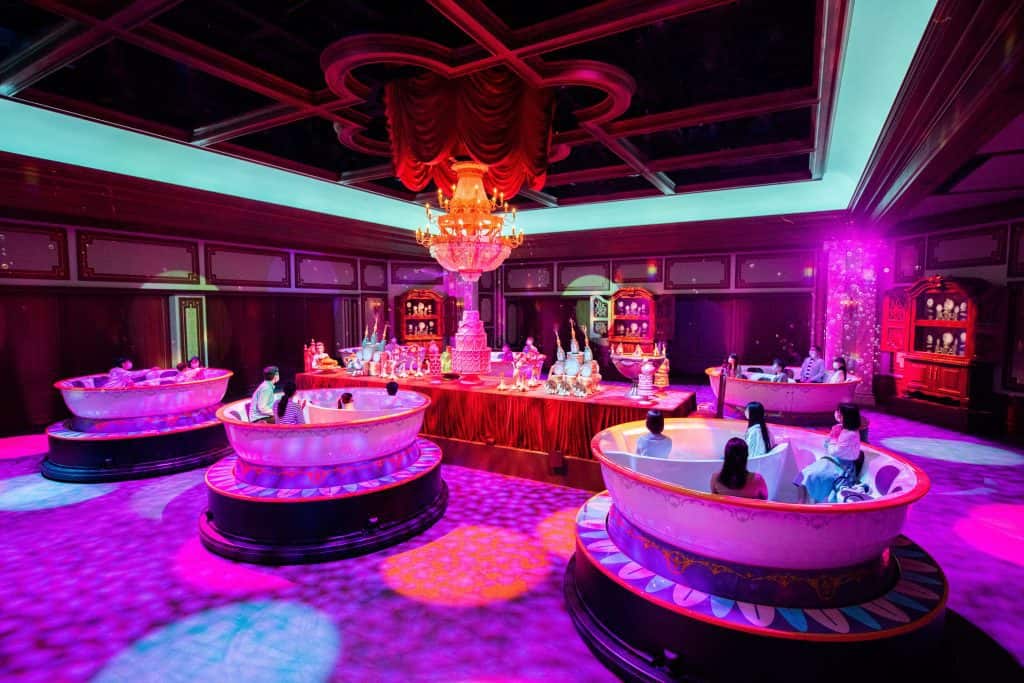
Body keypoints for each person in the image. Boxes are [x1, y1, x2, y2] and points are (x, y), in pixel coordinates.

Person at [797, 403, 862, 503]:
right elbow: (826, 444)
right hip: (833, 461)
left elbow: (834, 451)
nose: (837, 414)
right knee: (805, 473)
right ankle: (802, 501)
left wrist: (834, 437)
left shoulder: (851, 434)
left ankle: (808, 502)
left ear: (847, 416)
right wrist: (832, 435)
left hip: (841, 466)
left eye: (840, 413)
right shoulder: (841, 428)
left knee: (812, 475)